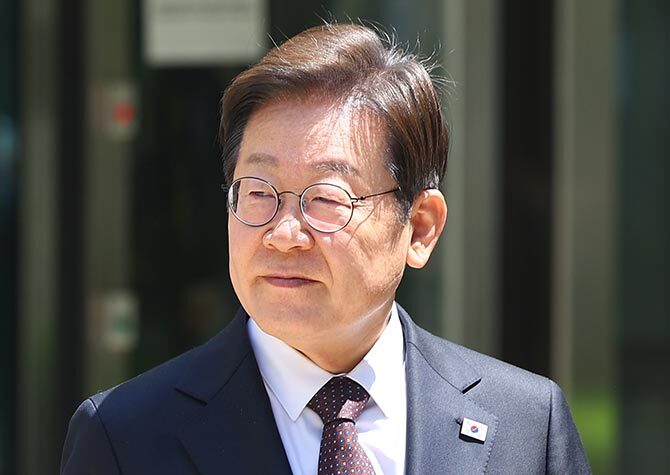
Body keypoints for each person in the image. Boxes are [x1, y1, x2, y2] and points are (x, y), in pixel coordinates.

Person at [61, 23, 590, 474]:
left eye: (326, 198)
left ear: (420, 227)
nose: (283, 233)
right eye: (258, 193)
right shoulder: (126, 436)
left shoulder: (526, 424)